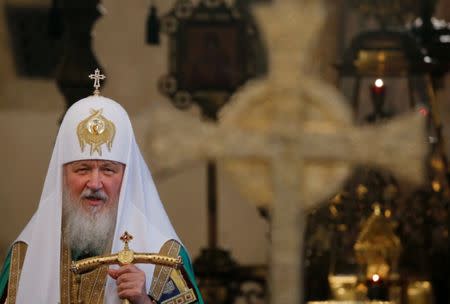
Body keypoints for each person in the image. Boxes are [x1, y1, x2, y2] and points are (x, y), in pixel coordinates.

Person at [0, 76, 204, 304]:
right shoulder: (25, 255)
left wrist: (144, 302)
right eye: (82, 169)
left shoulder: (164, 256)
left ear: (126, 177)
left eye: (108, 170)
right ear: (62, 175)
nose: (95, 183)